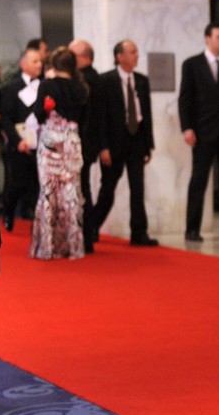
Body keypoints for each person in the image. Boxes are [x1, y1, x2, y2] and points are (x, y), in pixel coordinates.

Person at [92, 39, 158, 247]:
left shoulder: (142, 81)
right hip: (114, 143)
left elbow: (146, 114)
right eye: (132, 52)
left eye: (137, 51)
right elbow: (100, 117)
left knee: (138, 188)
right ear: (119, 56)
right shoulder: (105, 80)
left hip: (137, 140)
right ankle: (91, 227)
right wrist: (103, 147)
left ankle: (139, 233)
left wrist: (148, 144)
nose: (137, 55)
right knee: (108, 188)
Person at [179, 23, 219, 242]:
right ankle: (192, 228)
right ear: (207, 39)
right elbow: (185, 98)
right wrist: (187, 128)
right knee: (199, 179)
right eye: (218, 37)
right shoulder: (192, 64)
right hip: (203, 131)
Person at [29, 47, 88, 260]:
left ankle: (47, 247)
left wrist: (47, 110)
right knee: (71, 194)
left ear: (54, 64)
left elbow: (38, 114)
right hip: (72, 143)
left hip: (50, 142)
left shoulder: (47, 85)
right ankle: (74, 247)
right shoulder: (81, 87)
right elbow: (85, 120)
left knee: (47, 192)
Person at [0, 47, 42, 231]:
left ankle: (31, 213)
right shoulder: (12, 88)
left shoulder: (44, 86)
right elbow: (6, 118)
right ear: (24, 64)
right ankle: (9, 212)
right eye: (35, 61)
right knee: (17, 184)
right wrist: (17, 141)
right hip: (19, 144)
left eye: (40, 61)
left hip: (40, 143)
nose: (39, 65)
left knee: (37, 183)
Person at [68, 39, 101, 253]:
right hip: (87, 144)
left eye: (72, 56)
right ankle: (86, 237)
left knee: (80, 191)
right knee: (82, 189)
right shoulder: (91, 78)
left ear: (84, 57)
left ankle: (85, 237)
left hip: (81, 144)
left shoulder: (86, 81)